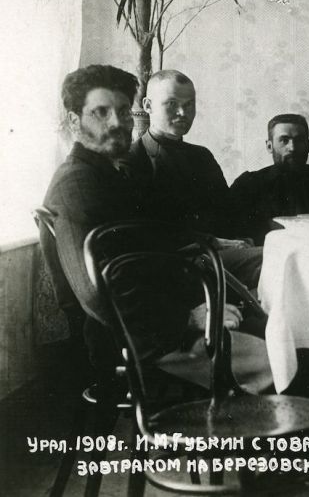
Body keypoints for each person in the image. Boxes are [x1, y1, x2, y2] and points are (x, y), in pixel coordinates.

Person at [42, 65, 243, 372]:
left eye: (123, 111)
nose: (117, 123)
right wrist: (187, 318)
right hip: (134, 342)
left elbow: (147, 240)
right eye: (100, 112)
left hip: (151, 322)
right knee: (269, 351)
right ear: (74, 121)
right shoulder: (77, 184)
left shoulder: (106, 173)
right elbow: (95, 291)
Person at [129, 70, 262, 290]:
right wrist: (214, 242)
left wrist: (242, 238)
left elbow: (227, 212)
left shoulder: (202, 156)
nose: (183, 112)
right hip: (174, 265)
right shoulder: (133, 160)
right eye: (171, 104)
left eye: (189, 104)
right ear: (148, 105)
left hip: (214, 256)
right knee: (274, 260)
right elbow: (147, 231)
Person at [229, 114, 309, 245]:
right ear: (269, 146)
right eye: (284, 140)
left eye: (299, 140)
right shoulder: (248, 185)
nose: (292, 148)